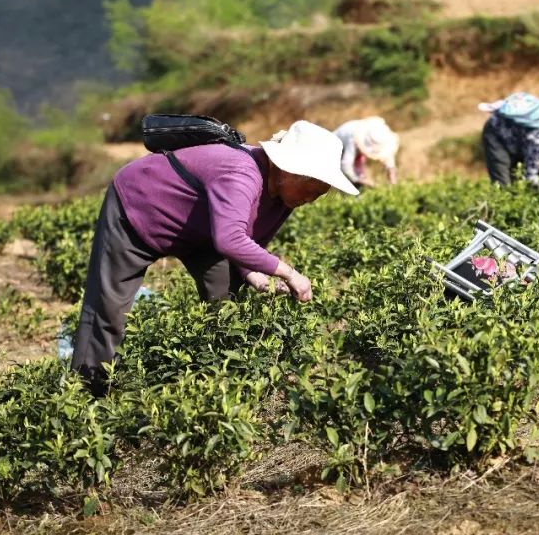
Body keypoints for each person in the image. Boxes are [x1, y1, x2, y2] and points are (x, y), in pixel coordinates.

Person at [70, 120, 358, 395]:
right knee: (108, 308)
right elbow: (231, 239)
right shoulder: (241, 172)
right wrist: (290, 273)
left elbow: (244, 242)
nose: (313, 199)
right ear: (288, 170)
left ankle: (223, 387)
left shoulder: (285, 197)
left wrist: (254, 274)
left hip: (203, 229)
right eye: (313, 189)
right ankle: (89, 394)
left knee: (228, 301)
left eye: (321, 193)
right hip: (138, 207)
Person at [334, 116, 400, 187]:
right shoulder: (353, 138)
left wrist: (391, 173)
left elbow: (387, 155)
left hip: (353, 154)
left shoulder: (379, 134)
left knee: (359, 179)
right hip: (333, 152)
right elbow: (346, 166)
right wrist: (361, 181)